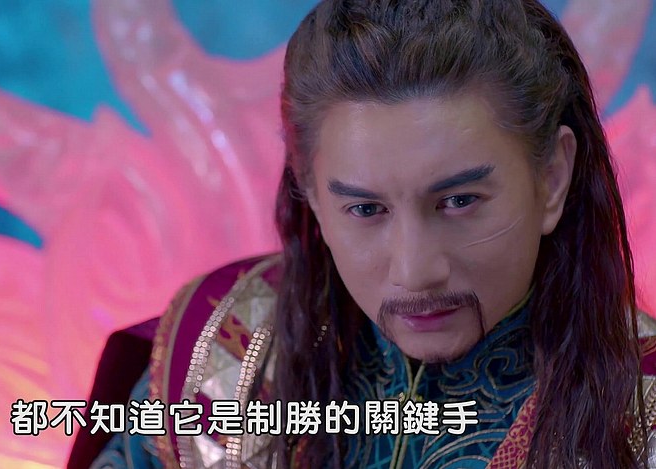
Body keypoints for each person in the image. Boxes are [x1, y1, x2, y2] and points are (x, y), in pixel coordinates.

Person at [79, 0, 656, 467]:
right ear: (310, 191)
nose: (415, 271)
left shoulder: (642, 414)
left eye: (459, 201)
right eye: (365, 209)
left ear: (552, 178)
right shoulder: (222, 346)